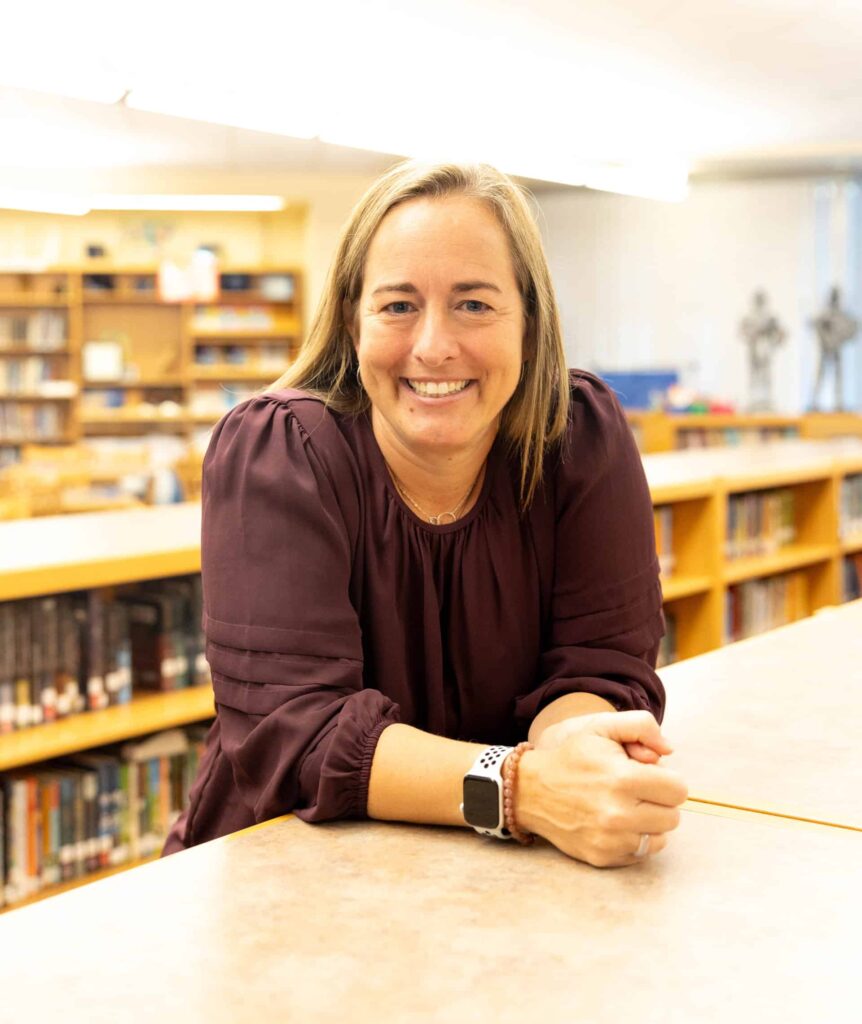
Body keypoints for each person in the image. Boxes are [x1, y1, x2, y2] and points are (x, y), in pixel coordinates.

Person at [163, 161, 687, 867]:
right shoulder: (278, 453)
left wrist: (577, 758)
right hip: (286, 872)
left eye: (474, 304)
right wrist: (520, 790)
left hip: (505, 878)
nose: (434, 346)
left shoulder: (580, 437)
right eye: (398, 305)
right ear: (353, 321)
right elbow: (297, 734)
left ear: (530, 321)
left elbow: (602, 664)